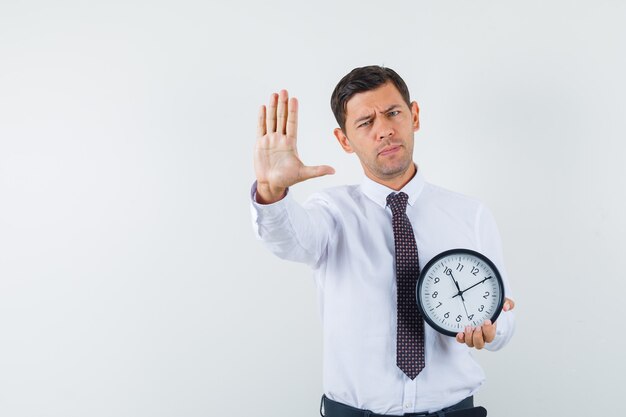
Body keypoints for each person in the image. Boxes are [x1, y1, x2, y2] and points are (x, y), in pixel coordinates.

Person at [250, 65, 515, 417]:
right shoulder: (330, 212)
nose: (384, 130)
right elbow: (288, 239)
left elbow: (505, 312)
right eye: (365, 122)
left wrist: (493, 329)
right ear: (344, 140)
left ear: (414, 115)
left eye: (393, 113)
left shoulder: (471, 214)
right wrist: (272, 191)